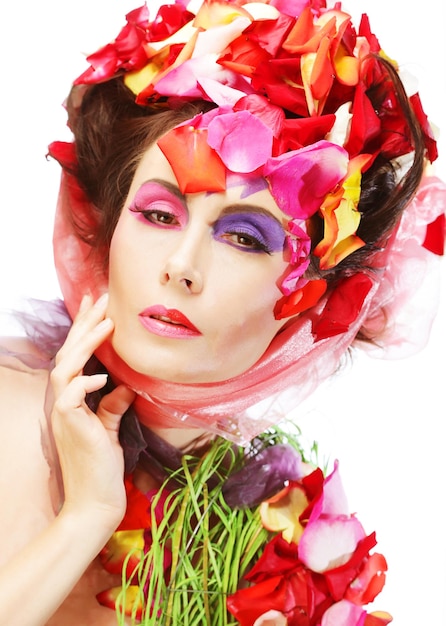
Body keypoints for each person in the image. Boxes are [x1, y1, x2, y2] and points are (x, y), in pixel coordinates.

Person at [0, 1, 444, 625]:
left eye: (244, 237)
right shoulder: (10, 410)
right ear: (105, 230)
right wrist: (85, 520)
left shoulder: (272, 538)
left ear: (307, 295)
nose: (181, 264)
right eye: (158, 215)